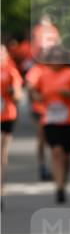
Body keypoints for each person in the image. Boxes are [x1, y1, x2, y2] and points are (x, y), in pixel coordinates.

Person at [29, 46, 70, 203]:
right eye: (54, 57)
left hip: (68, 120)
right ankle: (59, 187)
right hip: (50, 119)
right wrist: (37, 96)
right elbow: (32, 90)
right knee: (56, 151)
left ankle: (63, 179)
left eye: (60, 57)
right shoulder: (43, 74)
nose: (57, 61)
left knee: (66, 154)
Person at [1, 43, 23, 206]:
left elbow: (18, 97)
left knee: (1, 155)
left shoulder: (11, 71)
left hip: (6, 115)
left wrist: (11, 92)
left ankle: (1, 188)